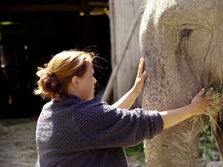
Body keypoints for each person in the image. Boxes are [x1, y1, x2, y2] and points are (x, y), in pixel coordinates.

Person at [34, 50, 213, 167]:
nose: (95, 81)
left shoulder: (49, 113)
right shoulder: (82, 118)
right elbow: (144, 122)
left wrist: (135, 91)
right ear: (75, 81)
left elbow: (106, 121)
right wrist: (192, 109)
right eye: (91, 76)